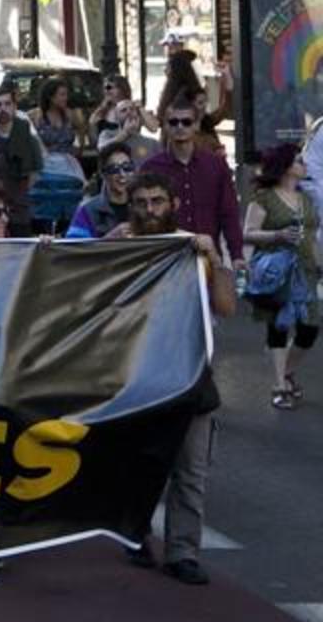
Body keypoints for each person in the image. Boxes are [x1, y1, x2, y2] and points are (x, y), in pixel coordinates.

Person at [109, 171, 236, 586]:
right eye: (142, 202)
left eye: (157, 202)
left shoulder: (193, 246)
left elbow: (226, 307)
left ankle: (183, 551)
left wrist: (213, 261)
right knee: (136, 463)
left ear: (172, 204)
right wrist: (107, 248)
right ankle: (136, 535)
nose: (150, 210)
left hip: (191, 373)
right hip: (137, 375)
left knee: (191, 468)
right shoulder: (120, 244)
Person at [241, 144, 317, 411]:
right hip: (277, 272)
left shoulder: (305, 198)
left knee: (310, 329)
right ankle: (279, 385)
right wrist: (277, 235)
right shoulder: (264, 198)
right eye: (299, 160)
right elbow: (247, 233)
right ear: (285, 166)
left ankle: (287, 371)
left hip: (306, 271)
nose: (304, 164)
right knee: (279, 328)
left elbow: (312, 235)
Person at [139, 100, 244, 266]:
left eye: (186, 122)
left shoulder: (216, 165)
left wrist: (237, 256)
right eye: (173, 122)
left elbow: (229, 213)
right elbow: (142, 215)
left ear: (196, 125)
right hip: (166, 259)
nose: (180, 127)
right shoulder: (150, 168)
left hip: (209, 257)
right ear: (165, 126)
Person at [0, 88, 42, 235]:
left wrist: (18, 193)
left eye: (7, 104)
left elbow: (35, 173)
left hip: (19, 211)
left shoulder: (29, 140)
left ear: (15, 107)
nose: (3, 109)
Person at [65, 144, 137, 240]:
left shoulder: (145, 204)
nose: (122, 174)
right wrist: (108, 239)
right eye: (114, 169)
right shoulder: (88, 210)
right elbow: (74, 249)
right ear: (103, 174)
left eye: (127, 167)